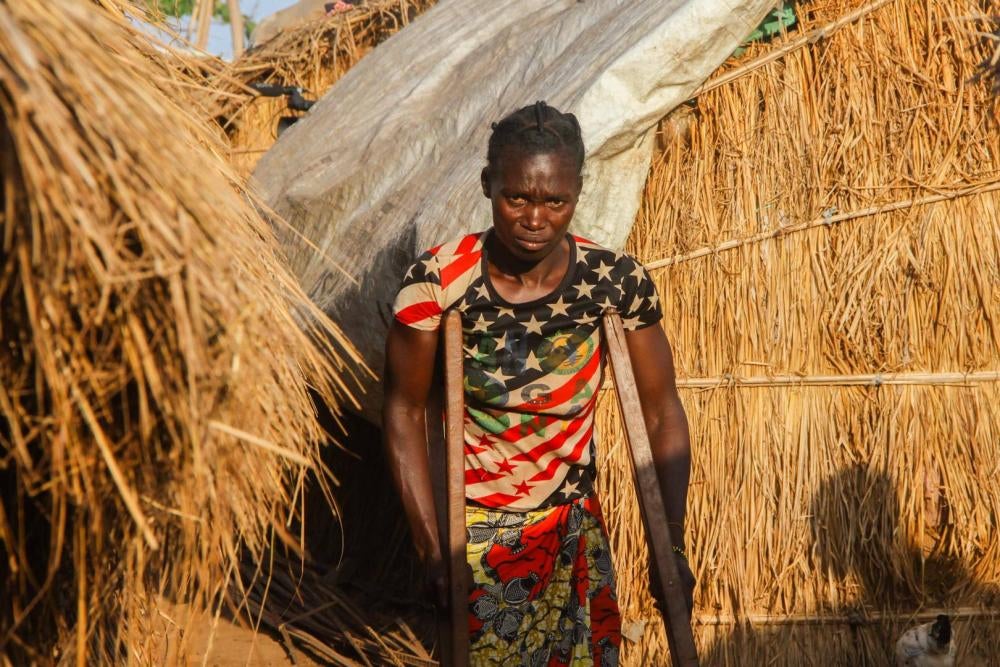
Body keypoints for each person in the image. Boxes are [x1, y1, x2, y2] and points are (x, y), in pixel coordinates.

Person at [383, 101, 693, 665]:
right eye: (517, 196)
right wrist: (432, 549)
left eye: (556, 201)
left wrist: (669, 542)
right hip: (476, 528)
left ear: (578, 193)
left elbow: (660, 411)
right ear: (487, 184)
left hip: (572, 518)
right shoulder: (439, 281)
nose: (535, 218)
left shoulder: (614, 282)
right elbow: (405, 410)